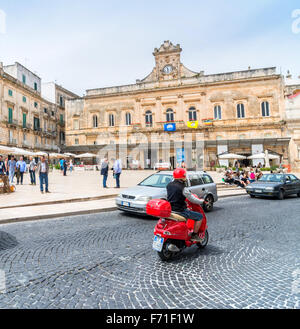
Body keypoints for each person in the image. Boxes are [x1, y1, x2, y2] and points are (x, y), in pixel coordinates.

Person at [167, 168, 203, 242]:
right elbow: (192, 199)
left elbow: (173, 195)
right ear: (183, 177)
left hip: (171, 209)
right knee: (199, 216)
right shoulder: (183, 188)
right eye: (184, 176)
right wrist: (201, 201)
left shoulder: (169, 185)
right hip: (180, 211)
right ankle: (194, 235)